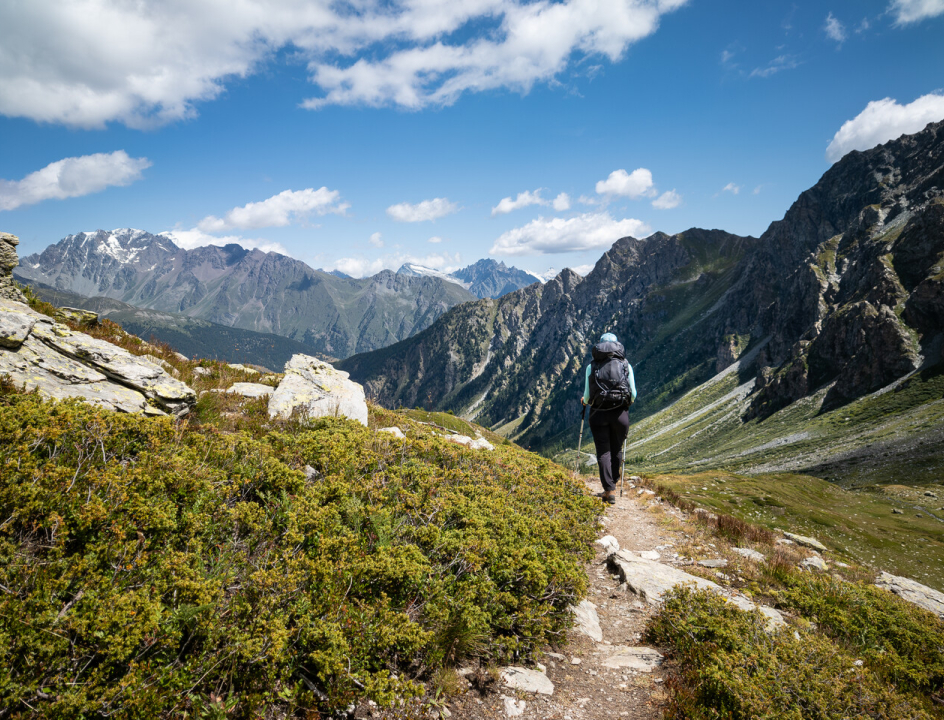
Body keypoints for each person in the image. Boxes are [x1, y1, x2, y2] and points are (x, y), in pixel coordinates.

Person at [581, 332, 636, 504]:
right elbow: (633, 394)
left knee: (603, 451)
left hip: (598, 414)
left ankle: (608, 490)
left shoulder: (592, 367)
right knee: (616, 449)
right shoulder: (626, 365)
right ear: (617, 346)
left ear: (600, 347)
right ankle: (614, 481)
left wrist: (585, 401)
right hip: (620, 414)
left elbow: (588, 397)